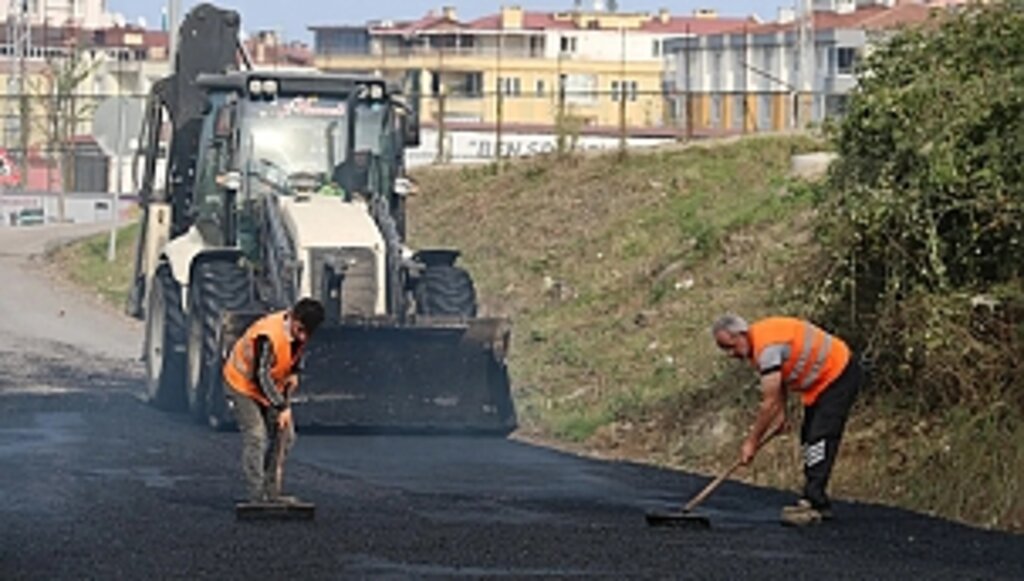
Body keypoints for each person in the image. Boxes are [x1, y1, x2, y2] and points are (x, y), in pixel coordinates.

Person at [711, 314, 864, 526]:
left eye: (730, 346)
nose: (731, 354)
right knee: (808, 436)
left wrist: (752, 442)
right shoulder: (759, 346)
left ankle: (815, 502)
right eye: (725, 350)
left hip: (839, 374)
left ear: (741, 334)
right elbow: (779, 380)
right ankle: (814, 497)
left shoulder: (767, 348)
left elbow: (768, 403)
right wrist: (781, 415)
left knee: (819, 437)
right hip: (820, 384)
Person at [222, 298, 326, 503]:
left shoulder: (300, 332)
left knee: (285, 436)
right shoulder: (268, 335)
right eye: (300, 330)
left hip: (269, 387)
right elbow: (261, 376)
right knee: (257, 436)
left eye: (308, 333)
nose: (303, 337)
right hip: (242, 384)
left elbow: (294, 356)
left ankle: (271, 492)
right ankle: (256, 496)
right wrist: (282, 407)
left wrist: (294, 373)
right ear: (294, 318)